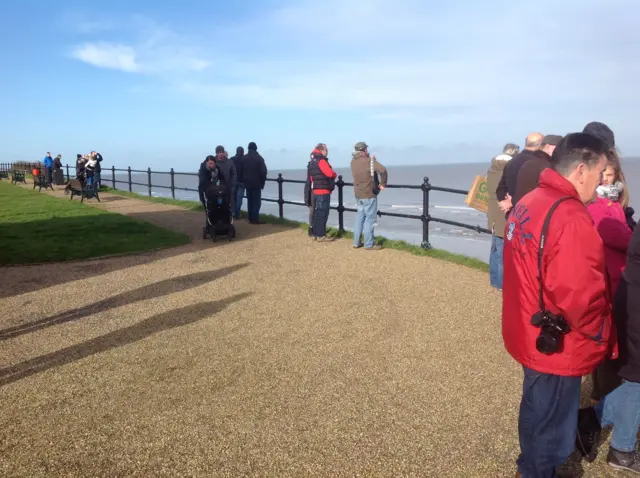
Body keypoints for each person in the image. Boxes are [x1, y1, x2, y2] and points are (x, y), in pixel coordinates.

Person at [502, 132, 615, 478]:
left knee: (536, 408)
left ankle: (529, 467)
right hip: (555, 340)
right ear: (581, 171)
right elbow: (580, 296)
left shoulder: (531, 199)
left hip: (527, 326)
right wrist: (602, 333)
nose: (598, 186)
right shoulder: (570, 218)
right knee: (551, 426)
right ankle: (535, 471)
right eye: (598, 176)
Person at [575, 226, 640, 473]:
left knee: (631, 372)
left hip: (630, 295)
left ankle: (592, 419)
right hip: (635, 301)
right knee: (637, 377)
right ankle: (622, 450)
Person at [486, 143, 520, 291]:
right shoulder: (509, 169)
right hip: (503, 210)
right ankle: (501, 283)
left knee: (495, 247)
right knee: (502, 249)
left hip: (493, 210)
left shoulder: (492, 168)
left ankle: (494, 280)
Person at [350, 141, 387, 250]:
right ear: (364, 150)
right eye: (366, 149)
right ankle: (368, 244)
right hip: (369, 194)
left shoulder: (353, 162)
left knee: (359, 218)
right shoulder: (369, 161)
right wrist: (383, 184)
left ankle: (356, 242)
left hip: (358, 194)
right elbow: (383, 170)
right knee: (369, 219)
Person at [496, 132, 544, 214]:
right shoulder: (540, 163)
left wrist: (508, 201)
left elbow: (501, 189)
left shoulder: (511, 162)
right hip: (532, 213)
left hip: (513, 214)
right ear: (541, 145)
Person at [513, 135, 562, 204]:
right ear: (547, 147)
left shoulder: (529, 162)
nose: (560, 152)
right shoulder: (547, 167)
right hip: (537, 209)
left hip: (522, 209)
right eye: (558, 148)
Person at [306, 143, 337, 242]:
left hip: (316, 189)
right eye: (326, 150)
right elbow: (329, 173)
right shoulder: (321, 160)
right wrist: (334, 174)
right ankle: (321, 234)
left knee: (318, 211)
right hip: (323, 189)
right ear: (322, 150)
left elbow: (311, 177)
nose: (327, 152)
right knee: (322, 212)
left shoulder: (312, 161)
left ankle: (315, 232)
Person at [242, 142, 267, 224]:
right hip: (256, 183)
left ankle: (250, 218)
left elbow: (241, 171)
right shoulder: (259, 158)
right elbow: (263, 172)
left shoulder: (244, 158)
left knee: (250, 201)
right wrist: (262, 182)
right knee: (256, 202)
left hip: (247, 183)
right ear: (256, 148)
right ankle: (255, 218)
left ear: (248, 148)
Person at [230, 146, 245, 219]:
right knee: (239, 199)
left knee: (233, 198)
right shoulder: (244, 159)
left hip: (234, 181)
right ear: (242, 151)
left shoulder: (232, 159)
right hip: (242, 181)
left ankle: (233, 212)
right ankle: (237, 214)